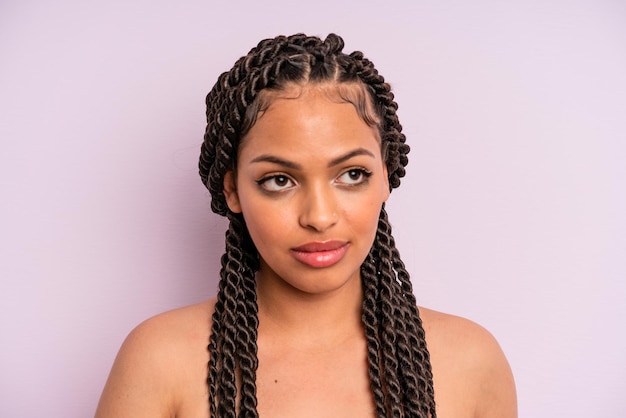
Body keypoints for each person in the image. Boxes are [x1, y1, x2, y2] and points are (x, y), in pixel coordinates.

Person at [95, 33, 517, 418]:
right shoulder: (159, 360)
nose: (318, 216)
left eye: (351, 174)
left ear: (386, 175)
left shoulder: (470, 361)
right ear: (234, 191)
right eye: (279, 180)